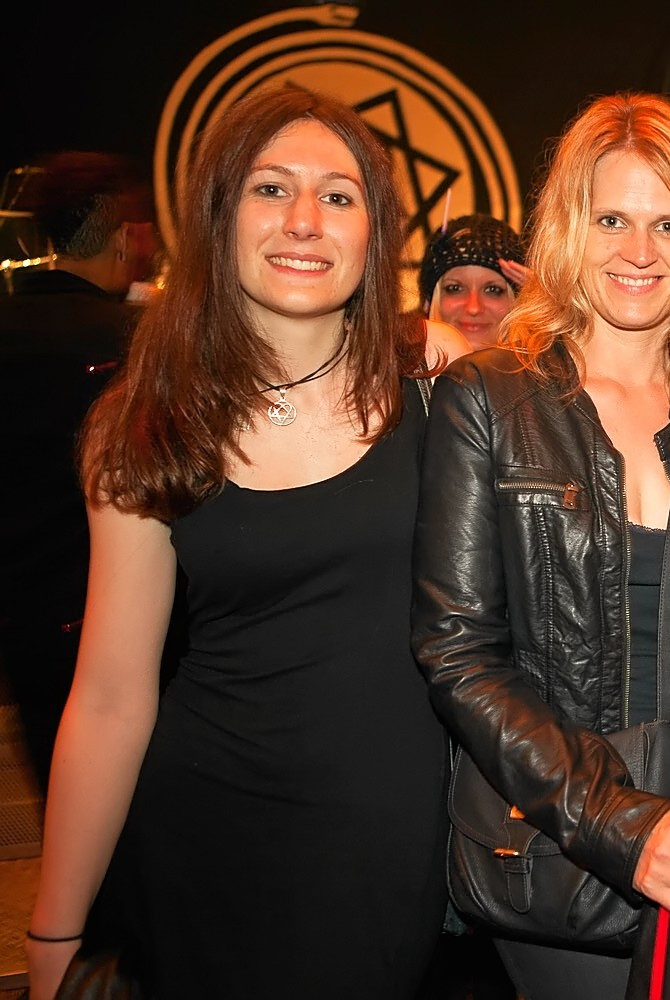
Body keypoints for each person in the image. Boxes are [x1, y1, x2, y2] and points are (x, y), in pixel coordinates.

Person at [25, 84, 471, 1000]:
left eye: (338, 196)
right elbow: (109, 698)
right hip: (206, 846)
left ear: (376, 232)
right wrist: (54, 931)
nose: (304, 219)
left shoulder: (441, 381)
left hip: (401, 858)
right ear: (219, 215)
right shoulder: (147, 423)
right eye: (271, 189)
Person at [411, 92, 670, 1000]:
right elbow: (459, 653)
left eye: (668, 224)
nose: (640, 251)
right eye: (612, 220)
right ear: (569, 227)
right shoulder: (488, 397)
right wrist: (622, 823)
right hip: (566, 842)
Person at [0, 151, 157, 792]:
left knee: (64, 798)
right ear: (123, 238)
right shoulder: (134, 342)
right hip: (125, 622)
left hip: (25, 625)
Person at [418, 212, 531, 354]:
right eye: (455, 288)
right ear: (428, 302)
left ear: (521, 304)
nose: (473, 308)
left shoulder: (550, 366)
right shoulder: (394, 365)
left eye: (493, 290)